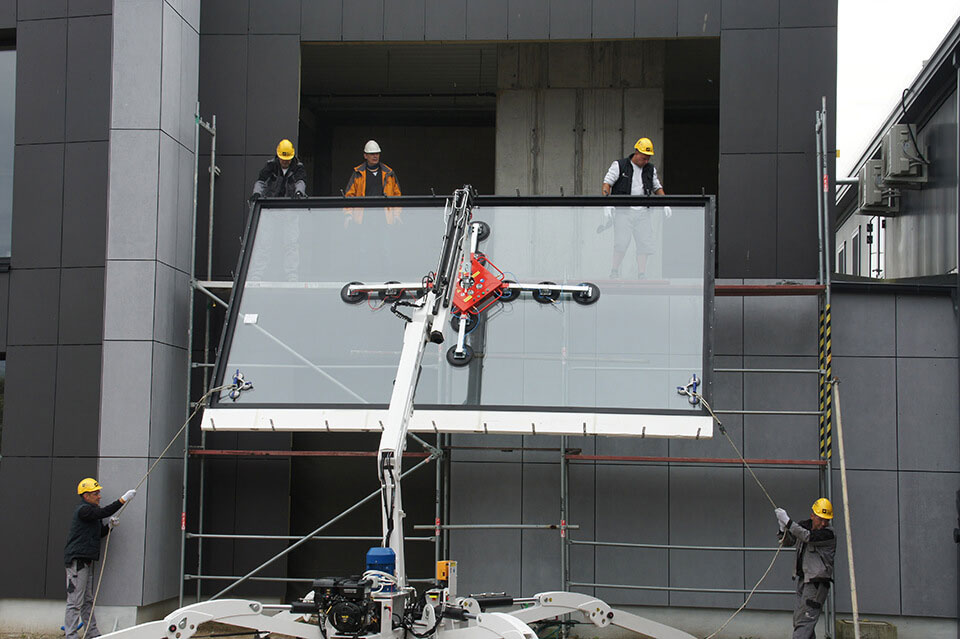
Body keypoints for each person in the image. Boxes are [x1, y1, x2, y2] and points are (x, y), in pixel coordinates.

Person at [63, 478, 136, 639]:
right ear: (86, 495)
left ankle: (92, 633)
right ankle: (71, 635)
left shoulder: (91, 513)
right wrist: (123, 499)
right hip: (77, 563)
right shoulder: (84, 510)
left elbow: (98, 534)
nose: (99, 496)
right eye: (96, 493)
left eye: (98, 493)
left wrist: (109, 527)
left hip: (85, 562)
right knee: (75, 601)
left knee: (87, 600)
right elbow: (104, 512)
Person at [600, 137, 667, 279]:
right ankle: (614, 271)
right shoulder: (620, 165)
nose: (646, 161)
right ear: (636, 153)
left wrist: (666, 202)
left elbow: (657, 187)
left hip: (643, 212)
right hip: (624, 211)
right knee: (621, 242)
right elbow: (607, 183)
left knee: (644, 243)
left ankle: (641, 273)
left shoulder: (650, 169)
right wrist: (607, 202)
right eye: (644, 158)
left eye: (648, 158)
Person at [775, 498, 837, 639]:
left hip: (817, 584)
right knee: (800, 619)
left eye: (826, 520)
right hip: (804, 580)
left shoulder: (828, 534)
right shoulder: (804, 526)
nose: (823, 523)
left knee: (804, 622)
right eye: (820, 519)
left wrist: (789, 522)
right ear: (812, 515)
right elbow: (788, 542)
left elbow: (807, 537)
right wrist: (782, 528)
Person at [248, 139, 305, 281]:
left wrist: (299, 193)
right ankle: (257, 274)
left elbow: (300, 182)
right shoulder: (271, 166)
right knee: (264, 242)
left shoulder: (298, 167)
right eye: (283, 159)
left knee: (291, 242)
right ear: (278, 156)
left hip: (290, 210)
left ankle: (291, 275)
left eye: (287, 159)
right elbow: (261, 181)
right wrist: (257, 193)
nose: (285, 162)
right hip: (270, 210)